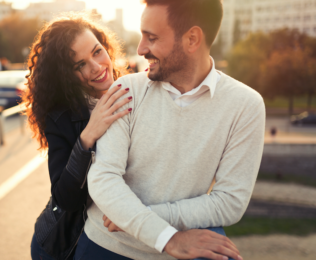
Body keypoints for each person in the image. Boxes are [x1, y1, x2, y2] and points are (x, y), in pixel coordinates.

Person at [75, 0, 265, 260]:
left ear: (192, 39)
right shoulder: (127, 89)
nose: (141, 49)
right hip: (106, 246)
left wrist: (140, 219)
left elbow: (229, 202)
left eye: (151, 38)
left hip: (179, 250)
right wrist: (168, 237)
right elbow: (103, 178)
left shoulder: (246, 105)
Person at [22, 13, 131, 260]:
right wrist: (88, 135)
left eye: (97, 52)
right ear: (66, 75)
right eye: (79, 65)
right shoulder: (61, 117)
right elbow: (65, 198)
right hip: (60, 245)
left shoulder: (132, 91)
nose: (96, 67)